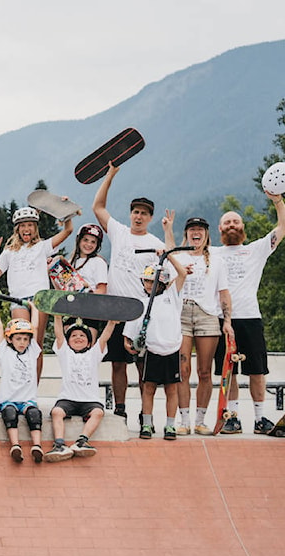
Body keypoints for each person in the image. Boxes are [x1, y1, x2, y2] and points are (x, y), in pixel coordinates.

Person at [91, 162, 166, 420]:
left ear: (150, 218)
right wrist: (109, 176)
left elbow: (165, 282)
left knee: (144, 365)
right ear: (131, 213)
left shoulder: (155, 244)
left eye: (144, 213)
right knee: (118, 363)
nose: (138, 216)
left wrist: (164, 253)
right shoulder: (119, 232)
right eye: (135, 211)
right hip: (115, 309)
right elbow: (97, 207)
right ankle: (120, 408)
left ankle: (146, 413)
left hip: (140, 311)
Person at [214, 191, 285, 434]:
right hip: (222, 319)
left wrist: (277, 200)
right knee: (229, 372)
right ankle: (233, 418)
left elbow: (284, 226)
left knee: (257, 371)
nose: (232, 226)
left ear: (242, 227)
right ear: (220, 229)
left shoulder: (256, 249)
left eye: (235, 222)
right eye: (227, 222)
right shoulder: (212, 253)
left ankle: (260, 419)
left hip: (250, 318)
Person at [0, 206, 73, 380]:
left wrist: (64, 208)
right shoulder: (9, 251)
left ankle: (33, 389)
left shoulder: (43, 246)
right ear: (17, 228)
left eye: (30, 225)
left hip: (39, 299)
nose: (27, 229)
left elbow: (68, 230)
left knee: (35, 345)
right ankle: (20, 383)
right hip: (18, 300)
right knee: (20, 341)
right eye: (23, 225)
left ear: (36, 228)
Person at [165, 216, 233, 435]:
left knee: (205, 371)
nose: (196, 233)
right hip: (181, 313)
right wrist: (167, 229)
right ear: (186, 233)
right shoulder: (180, 256)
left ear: (206, 234)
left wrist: (227, 321)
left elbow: (223, 292)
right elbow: (168, 257)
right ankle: (184, 421)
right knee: (182, 369)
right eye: (192, 229)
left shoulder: (216, 259)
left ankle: (200, 420)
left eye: (200, 230)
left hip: (207, 315)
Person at [123, 249, 189, 440]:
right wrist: (128, 342)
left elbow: (182, 273)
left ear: (162, 283)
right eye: (147, 281)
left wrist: (168, 256)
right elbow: (130, 330)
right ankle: (146, 423)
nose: (149, 285)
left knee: (171, 389)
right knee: (148, 387)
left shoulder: (172, 297)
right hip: (151, 351)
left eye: (154, 281)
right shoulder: (141, 303)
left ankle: (170, 426)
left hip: (171, 350)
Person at [46, 315, 117, 461]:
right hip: (68, 398)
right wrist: (58, 317)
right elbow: (59, 335)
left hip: (89, 400)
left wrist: (111, 322)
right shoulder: (65, 352)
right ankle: (59, 444)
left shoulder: (94, 353)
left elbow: (103, 338)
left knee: (98, 412)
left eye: (82, 336)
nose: (78, 337)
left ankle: (82, 441)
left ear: (89, 342)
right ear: (68, 341)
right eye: (73, 336)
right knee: (57, 412)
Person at [0, 296, 43, 463]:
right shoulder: (5, 352)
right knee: (10, 414)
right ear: (10, 339)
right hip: (9, 400)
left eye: (25, 339)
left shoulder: (32, 351)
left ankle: (37, 446)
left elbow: (34, 327)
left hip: (28, 400)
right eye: (18, 339)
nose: (22, 342)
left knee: (34, 415)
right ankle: (15, 446)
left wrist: (34, 309)